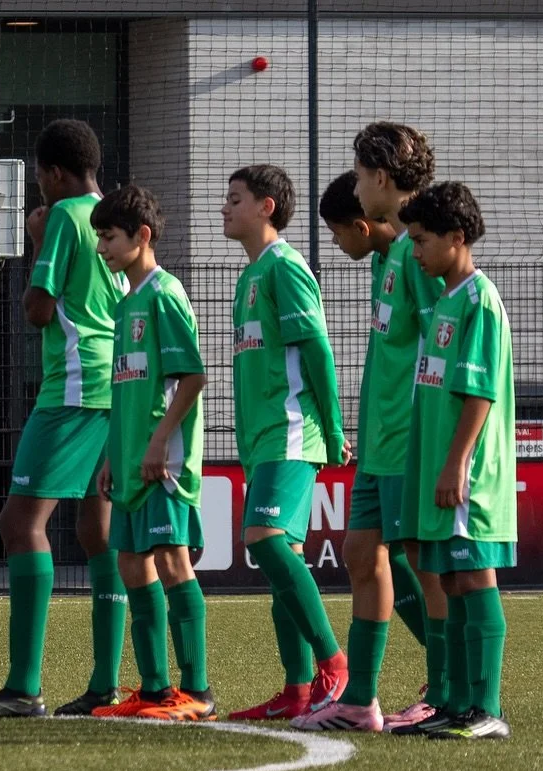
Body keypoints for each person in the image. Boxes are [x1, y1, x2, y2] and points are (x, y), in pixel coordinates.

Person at [0, 119, 129, 718]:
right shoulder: (113, 213)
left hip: (74, 389)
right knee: (98, 533)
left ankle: (24, 687)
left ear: (51, 173)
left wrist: (35, 242)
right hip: (119, 384)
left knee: (19, 522)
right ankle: (105, 682)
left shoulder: (62, 217)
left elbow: (36, 308)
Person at [294, 159, 442, 733]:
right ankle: (360, 701)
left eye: (358, 175)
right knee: (361, 553)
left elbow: (436, 349)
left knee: (427, 565)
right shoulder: (389, 256)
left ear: (378, 184)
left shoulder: (418, 254)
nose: (353, 185)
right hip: (380, 444)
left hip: (409, 439)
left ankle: (447, 690)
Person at [221, 165, 351, 721]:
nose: (224, 208)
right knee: (283, 556)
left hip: (294, 430)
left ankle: (333, 661)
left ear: (266, 207)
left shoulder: (286, 267)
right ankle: (297, 690)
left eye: (235, 199)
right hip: (263, 437)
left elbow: (317, 351)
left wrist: (338, 427)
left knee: (264, 540)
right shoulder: (248, 277)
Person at [84, 186, 214, 720]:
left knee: (172, 561)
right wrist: (116, 452)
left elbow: (192, 376)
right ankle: (156, 689)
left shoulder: (164, 294)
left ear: (142, 236)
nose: (101, 249)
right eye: (98, 238)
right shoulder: (125, 302)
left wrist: (160, 440)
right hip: (133, 461)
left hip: (164, 461)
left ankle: (198, 691)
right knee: (132, 564)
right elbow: (128, 387)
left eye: (109, 237)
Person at [398, 181, 513, 740]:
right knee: (450, 577)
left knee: (472, 574)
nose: (414, 252)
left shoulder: (478, 299)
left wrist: (456, 464)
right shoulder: (444, 299)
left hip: (468, 471)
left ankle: (487, 709)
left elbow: (480, 393)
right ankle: (460, 704)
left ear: (456, 237)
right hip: (439, 466)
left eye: (421, 241)